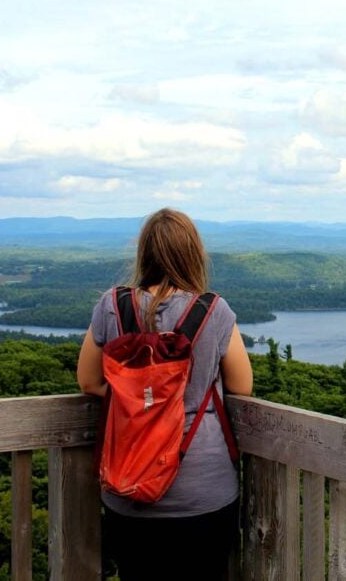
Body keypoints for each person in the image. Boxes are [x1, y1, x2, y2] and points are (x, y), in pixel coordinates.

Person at [76, 208, 253, 580]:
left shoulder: (113, 305)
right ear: (193, 253)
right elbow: (242, 386)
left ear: (145, 253)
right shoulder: (214, 311)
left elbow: (89, 381)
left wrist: (137, 396)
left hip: (128, 482)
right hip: (203, 488)